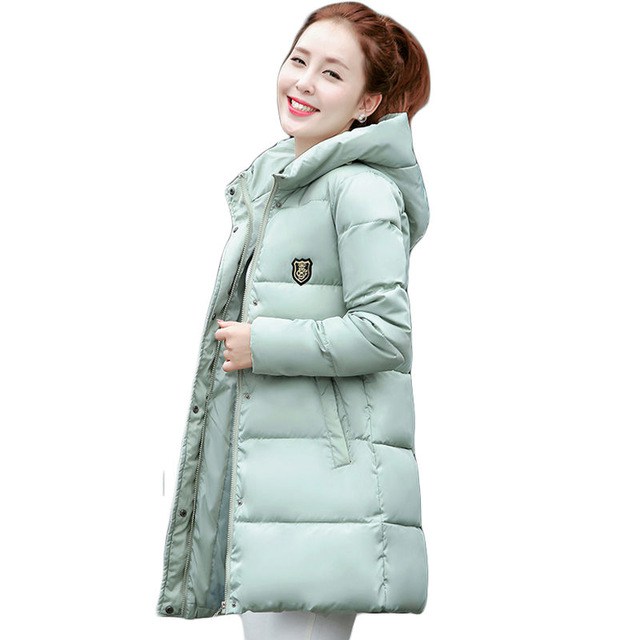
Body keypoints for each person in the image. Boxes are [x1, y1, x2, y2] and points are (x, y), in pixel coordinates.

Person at [156, 3, 431, 639]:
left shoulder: (360, 191)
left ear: (368, 103)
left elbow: (385, 333)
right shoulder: (281, 186)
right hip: (279, 490)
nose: (304, 82)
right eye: (299, 60)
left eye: (332, 73)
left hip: (326, 493)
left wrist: (264, 344)